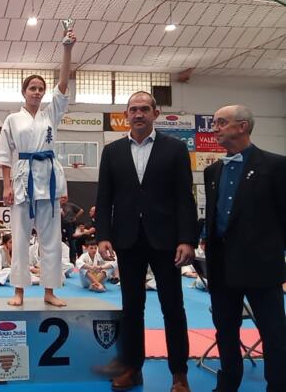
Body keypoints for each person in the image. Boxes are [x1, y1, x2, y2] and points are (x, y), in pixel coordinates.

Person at [95, 91, 197, 392]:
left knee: (173, 308)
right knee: (132, 307)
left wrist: (187, 239)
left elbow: (185, 197)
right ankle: (132, 368)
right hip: (128, 239)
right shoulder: (112, 151)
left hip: (166, 240)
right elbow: (104, 198)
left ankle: (179, 374)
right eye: (133, 109)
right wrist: (103, 235)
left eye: (144, 109)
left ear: (155, 113)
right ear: (126, 115)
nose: (138, 114)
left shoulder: (175, 148)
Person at [204, 105, 285, 392]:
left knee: (274, 333)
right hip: (221, 266)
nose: (215, 128)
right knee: (225, 333)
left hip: (262, 266)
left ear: (242, 127)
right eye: (214, 123)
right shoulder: (212, 171)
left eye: (221, 123)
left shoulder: (276, 166)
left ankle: (278, 386)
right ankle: (227, 385)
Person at [0, 27, 76, 307]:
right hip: (22, 181)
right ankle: (18, 290)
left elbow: (62, 85)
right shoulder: (12, 120)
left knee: (51, 240)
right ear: (24, 91)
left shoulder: (51, 113)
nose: (37, 92)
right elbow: (4, 155)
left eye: (41, 88)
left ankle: (49, 291)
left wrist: (67, 49)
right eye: (33, 88)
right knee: (19, 239)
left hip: (49, 180)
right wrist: (6, 186)